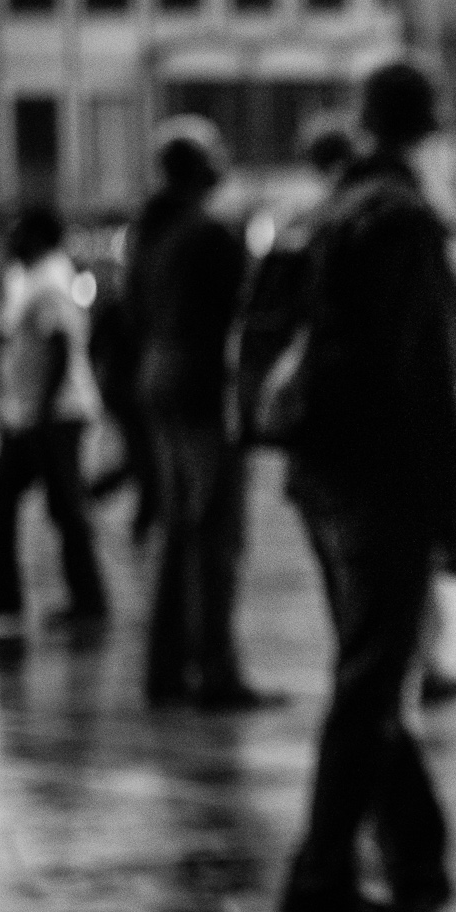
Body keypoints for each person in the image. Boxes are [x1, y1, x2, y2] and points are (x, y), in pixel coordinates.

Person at [275, 62, 456, 912]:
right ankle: (318, 882)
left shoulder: (332, 207)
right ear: (427, 126)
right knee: (369, 679)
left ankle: (417, 849)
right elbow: (425, 373)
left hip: (318, 467)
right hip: (379, 476)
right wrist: (450, 508)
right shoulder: (408, 219)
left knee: (371, 664)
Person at [133, 122, 279, 709]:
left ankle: (166, 668)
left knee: (179, 531)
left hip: (159, 383)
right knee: (215, 534)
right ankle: (214, 671)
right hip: (200, 390)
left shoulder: (151, 235)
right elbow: (246, 314)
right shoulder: (207, 235)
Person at [0, 205, 109, 644]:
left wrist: (40, 409)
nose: (12, 238)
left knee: (65, 506)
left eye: (20, 231)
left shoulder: (50, 280)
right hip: (32, 413)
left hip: (54, 414)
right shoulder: (30, 277)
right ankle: (8, 593)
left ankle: (88, 599)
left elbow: (59, 346)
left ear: (38, 236)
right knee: (6, 498)